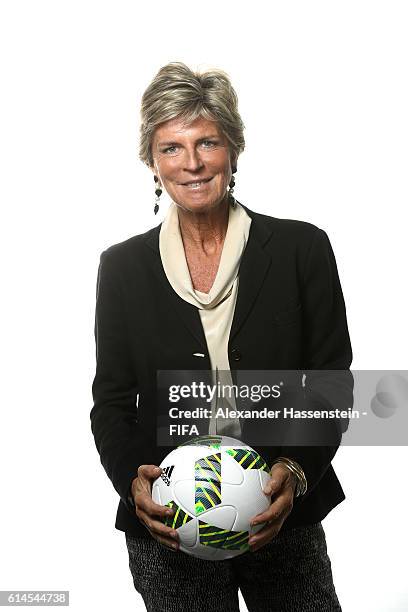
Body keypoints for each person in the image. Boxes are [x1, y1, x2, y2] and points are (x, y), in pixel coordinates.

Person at [91, 61, 353, 611]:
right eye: (171, 147)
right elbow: (112, 402)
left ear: (232, 149)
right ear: (151, 160)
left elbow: (331, 382)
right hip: (171, 518)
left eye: (207, 142)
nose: (191, 163)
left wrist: (296, 469)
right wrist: (133, 483)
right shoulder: (121, 268)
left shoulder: (301, 249)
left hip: (279, 507)